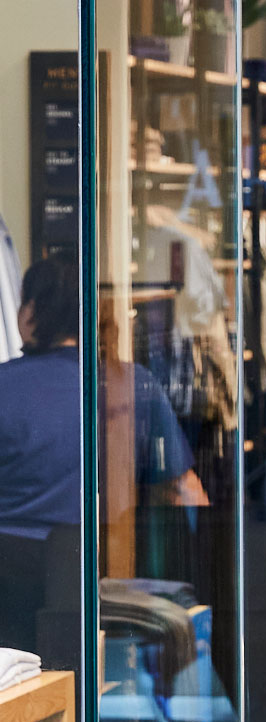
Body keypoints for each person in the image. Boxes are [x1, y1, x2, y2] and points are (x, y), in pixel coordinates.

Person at [0, 254, 205, 667]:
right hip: (97, 589)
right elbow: (186, 492)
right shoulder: (130, 386)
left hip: (9, 601)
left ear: (31, 312)